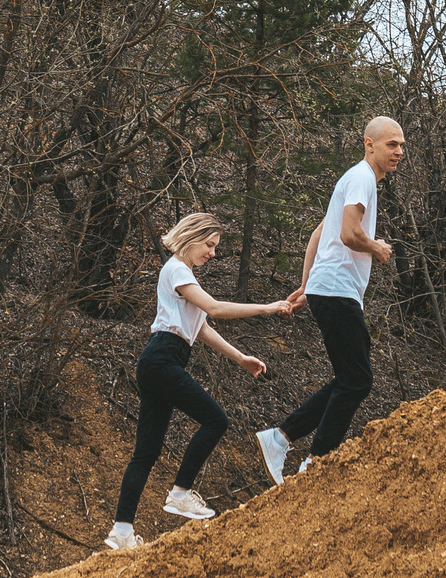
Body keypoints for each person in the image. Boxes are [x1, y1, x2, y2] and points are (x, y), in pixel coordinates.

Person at [107, 212, 295, 551]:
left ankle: (121, 532)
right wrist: (267, 308)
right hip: (163, 358)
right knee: (215, 420)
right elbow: (216, 309)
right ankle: (180, 493)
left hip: (161, 360)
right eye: (209, 245)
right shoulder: (178, 268)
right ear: (192, 238)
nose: (212, 253)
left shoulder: (182, 276)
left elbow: (202, 327)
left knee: (146, 452)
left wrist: (241, 359)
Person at [258, 116, 405, 483]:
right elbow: (349, 234)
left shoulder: (355, 179)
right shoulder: (362, 177)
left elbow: (319, 233)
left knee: (350, 377)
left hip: (331, 287)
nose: (399, 152)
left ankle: (280, 438)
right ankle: (315, 461)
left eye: (402, 145)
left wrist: (308, 284)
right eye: (392, 144)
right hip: (338, 290)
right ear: (369, 143)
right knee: (357, 380)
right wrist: (378, 248)